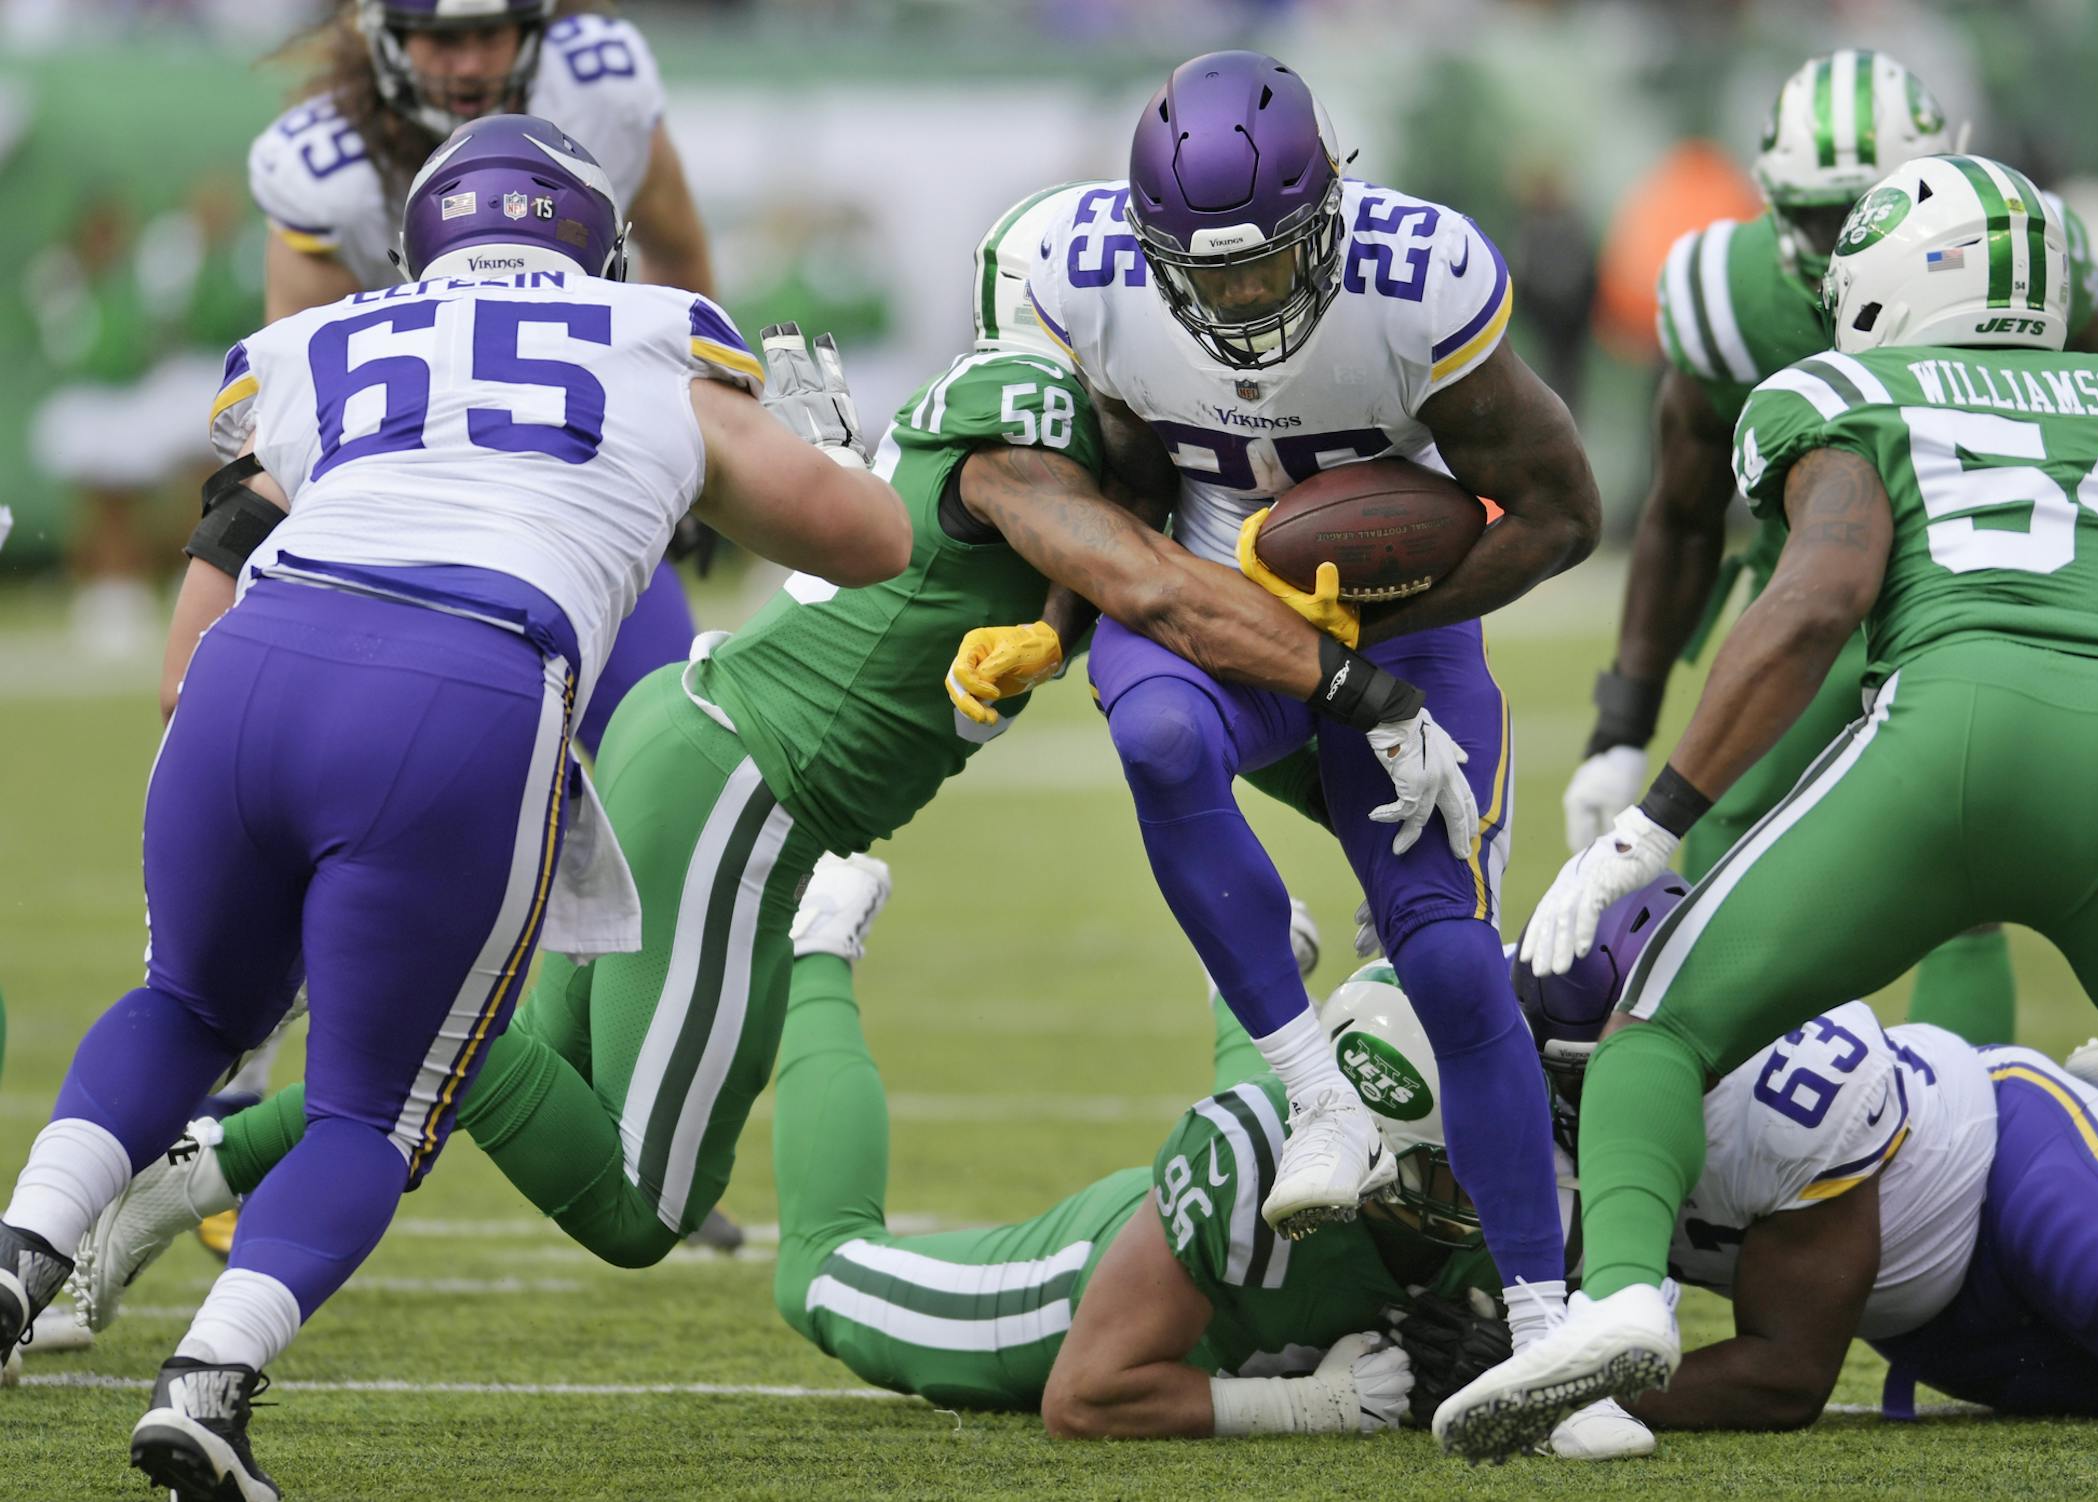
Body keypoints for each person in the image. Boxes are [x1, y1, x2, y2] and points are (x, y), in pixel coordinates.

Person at [71, 188, 1448, 1312]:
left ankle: (180, 1168)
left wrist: (1351, 793)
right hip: (748, 791)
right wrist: (1367, 695)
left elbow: (1180, 645)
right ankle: (406, 1005)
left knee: (504, 1061)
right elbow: (1159, 596)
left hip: (698, 740)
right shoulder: (1022, 430)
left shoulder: (1076, 442)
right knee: (637, 1201)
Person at [0, 115, 908, 1502]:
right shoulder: (654, 333)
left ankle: (18, 1256)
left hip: (258, 660)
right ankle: (207, 1385)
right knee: (375, 1106)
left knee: (185, 1004)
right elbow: (867, 542)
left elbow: (233, 527)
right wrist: (802, 442)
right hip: (460, 680)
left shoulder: (325, 340)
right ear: (590, 241)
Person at [1435, 153, 2098, 1462]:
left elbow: (1815, 596)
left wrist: (1654, 815)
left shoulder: (1838, 387)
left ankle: (1616, 1311)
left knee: (1659, 1024)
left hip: (1956, 730)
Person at [1022, 53, 1601, 1375]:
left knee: (1455, 964)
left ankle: (1545, 1330)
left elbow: (1569, 513)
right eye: (1207, 272)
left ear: (1332, 206)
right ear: (1147, 246)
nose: (1237, 297)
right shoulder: (1083, 274)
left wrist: (1368, 644)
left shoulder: (1418, 284)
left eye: (1265, 264)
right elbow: (1107, 499)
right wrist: (1059, 624)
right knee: (1157, 738)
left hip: (1396, 614)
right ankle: (1317, 1093)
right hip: (1200, 609)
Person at [1561, 50, 2098, 1047]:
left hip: (1983, 594)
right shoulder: (1733, 292)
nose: (1839, 241)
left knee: (1963, 888)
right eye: (1815, 213)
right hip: (1807, 591)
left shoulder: (2026, 256)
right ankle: (1733, 1124)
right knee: (1710, 843)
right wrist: (1624, 719)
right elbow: (1681, 509)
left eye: (1864, 211)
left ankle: (1959, 1137)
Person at [766, 854, 1650, 1456]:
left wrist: (1504, 1356)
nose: (1495, 1193)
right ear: (1375, 1145)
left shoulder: (1527, 1148)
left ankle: (1258, 967)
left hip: (1280, 1235)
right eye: (1457, 1167)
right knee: (817, 1272)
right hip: (1091, 1278)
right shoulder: (1245, 1161)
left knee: (1278, 1145)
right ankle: (820, 933)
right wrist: (1308, 1407)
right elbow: (1083, 1397)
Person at [1518, 879, 2098, 1441]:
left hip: (2021, 1161)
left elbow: (1784, 1374)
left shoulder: (1784, 1099)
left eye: (1596, 1078)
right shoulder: (1502, 1054)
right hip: (1939, 1332)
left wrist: (1560, 1388)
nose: (1584, 1111)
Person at [243, 0, 715, 753]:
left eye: (488, 34)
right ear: (385, 35)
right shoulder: (330, 175)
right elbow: (290, 409)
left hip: (580, 475)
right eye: (440, 39)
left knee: (671, 740)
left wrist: (693, 458)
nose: (466, 65)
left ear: (532, 29)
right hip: (403, 507)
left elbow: (678, 259)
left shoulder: (600, 95)